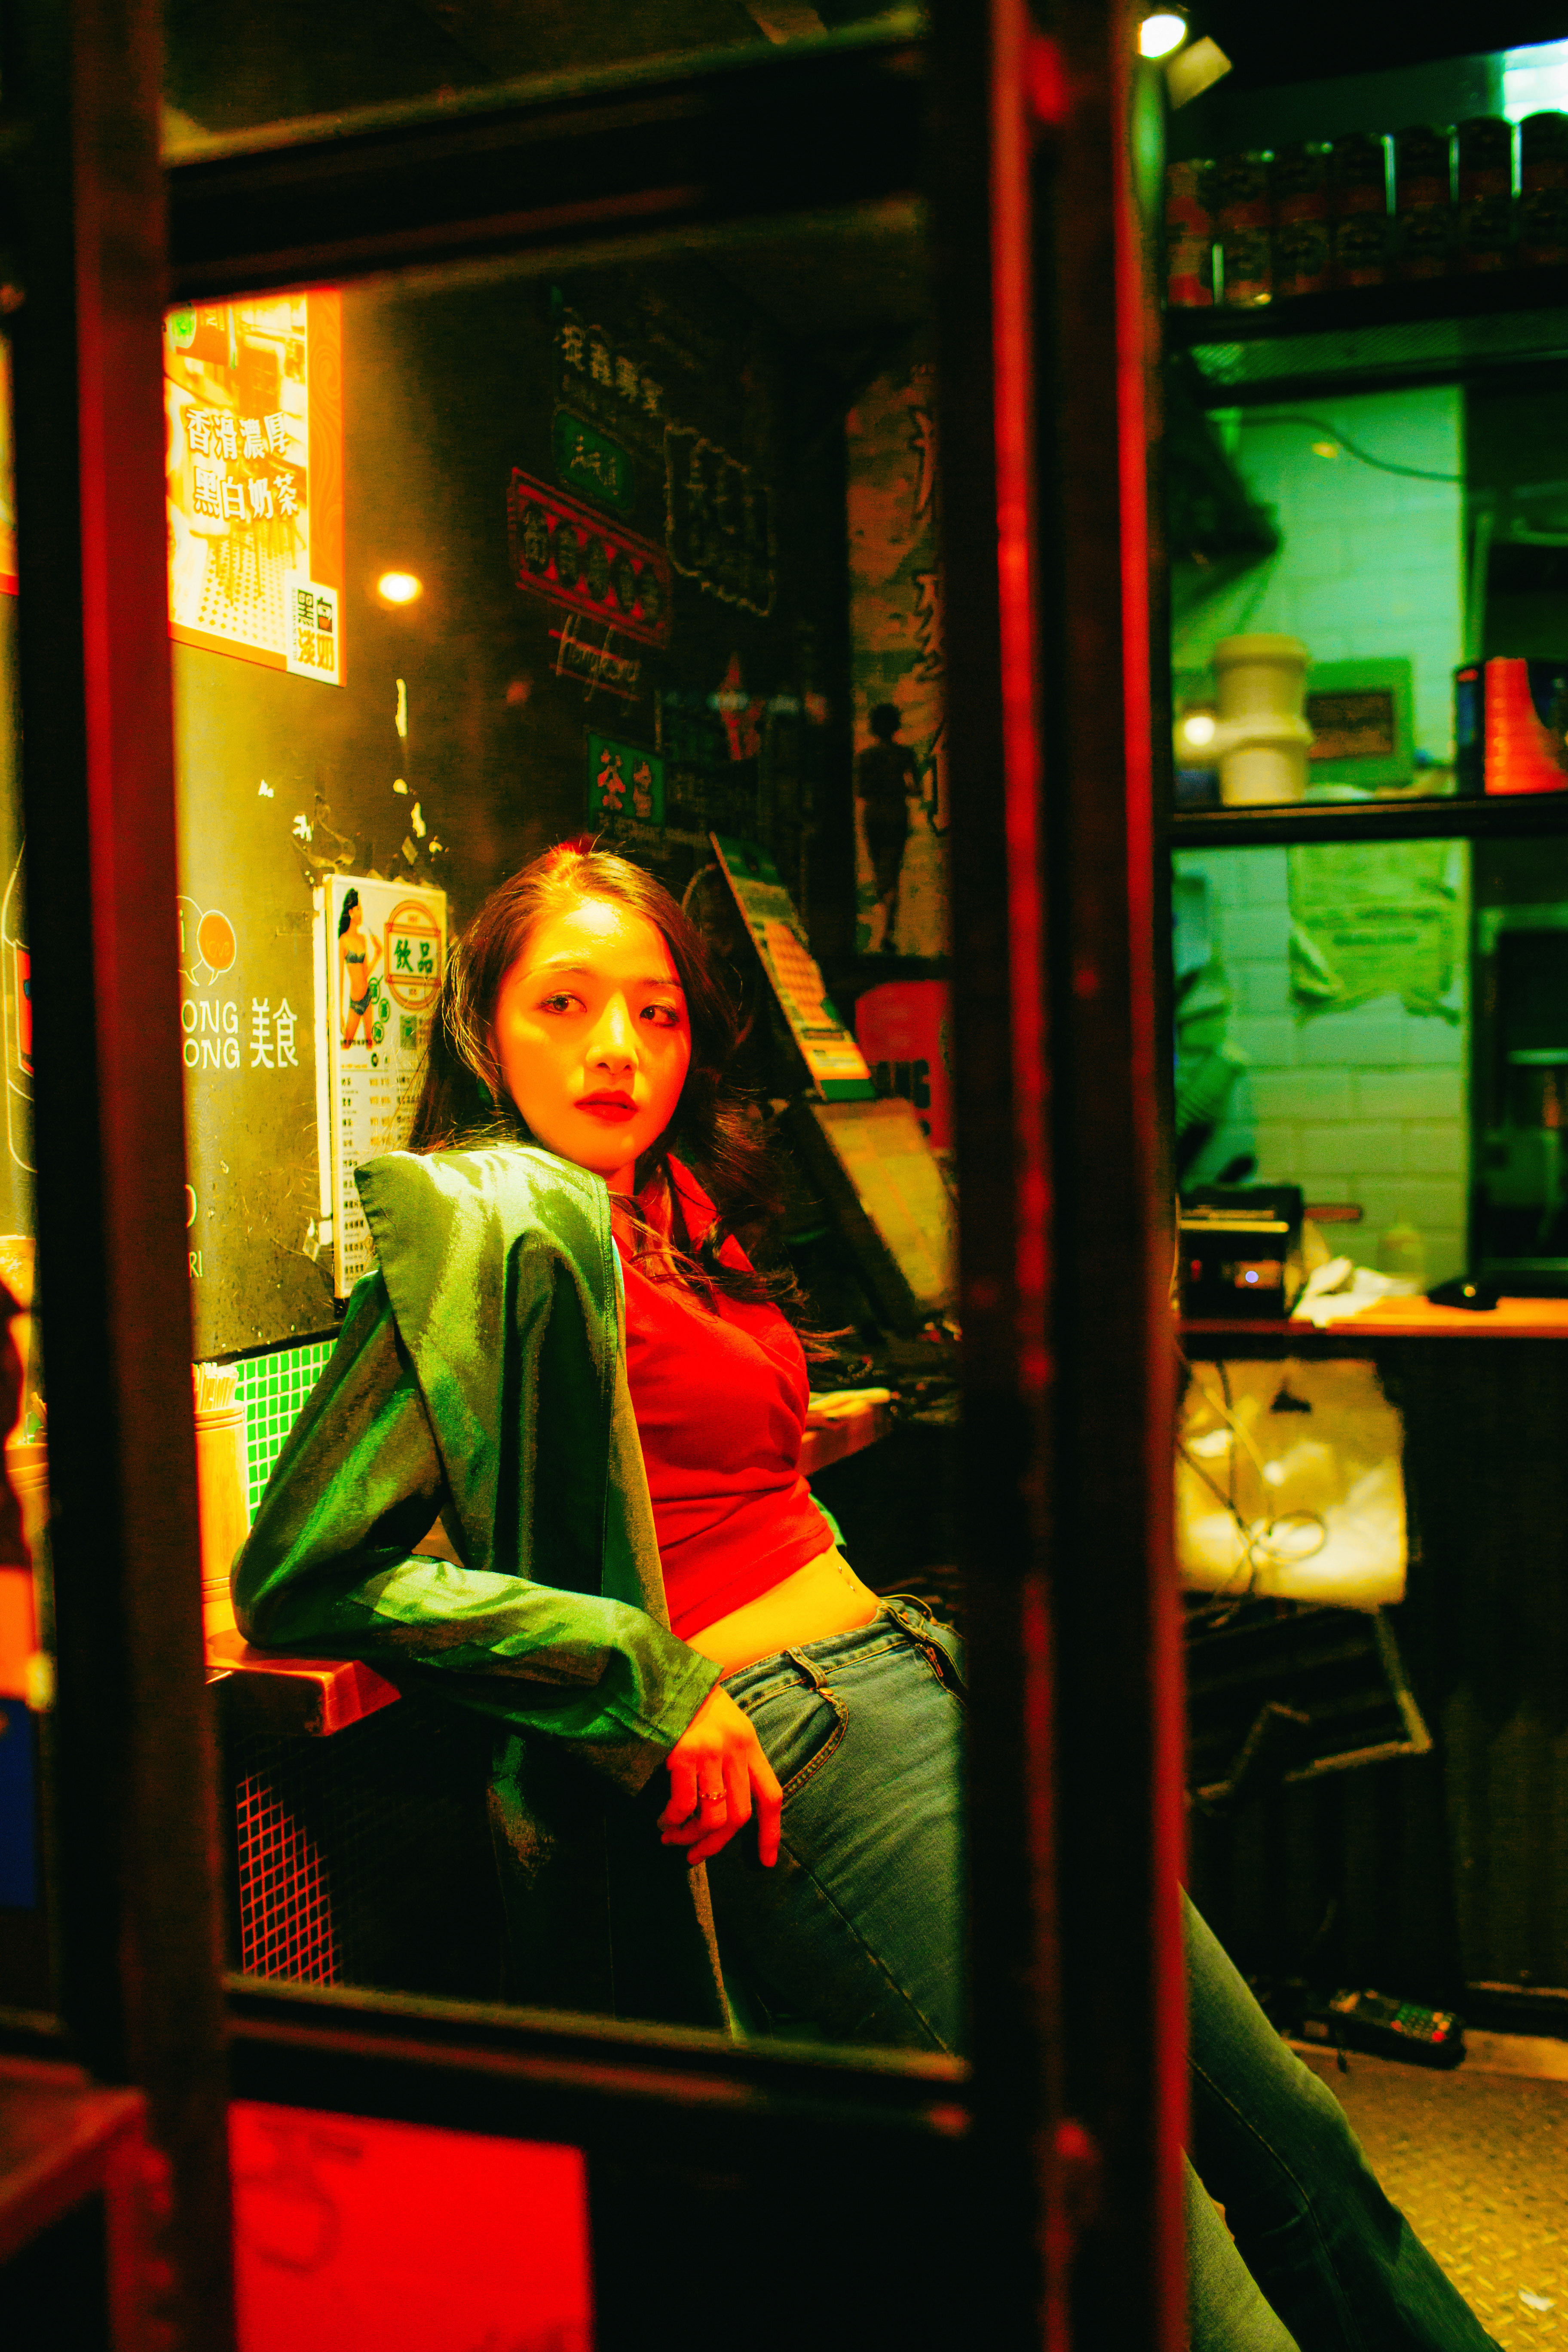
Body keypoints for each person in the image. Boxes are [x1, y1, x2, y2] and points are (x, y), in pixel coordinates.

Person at [235, 842, 1495, 2351]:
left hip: (916, 1680)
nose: (615, 1047)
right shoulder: (487, 1224)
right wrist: (636, 1672)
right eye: (563, 1004)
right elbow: (306, 1570)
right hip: (797, 1747)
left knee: (1290, 2136)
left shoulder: (665, 1211)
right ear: (484, 1029)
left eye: (655, 1011)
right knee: (1142, 2232)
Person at [855, 701, 922, 953]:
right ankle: (887, 931)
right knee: (892, 871)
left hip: (873, 814)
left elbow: (860, 791)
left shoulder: (865, 757)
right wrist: (897, 787)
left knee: (880, 872)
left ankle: (883, 929)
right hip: (896, 813)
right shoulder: (905, 755)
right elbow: (918, 790)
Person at [338, 888, 382, 1048]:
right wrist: (339, 1013)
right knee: (347, 1044)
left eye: (361, 909)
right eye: (358, 909)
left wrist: (378, 955)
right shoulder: (343, 941)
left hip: (368, 997)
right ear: (351, 912)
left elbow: (365, 974)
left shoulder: (363, 939)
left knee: (371, 1044)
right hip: (356, 1001)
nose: (361, 913)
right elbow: (340, 979)